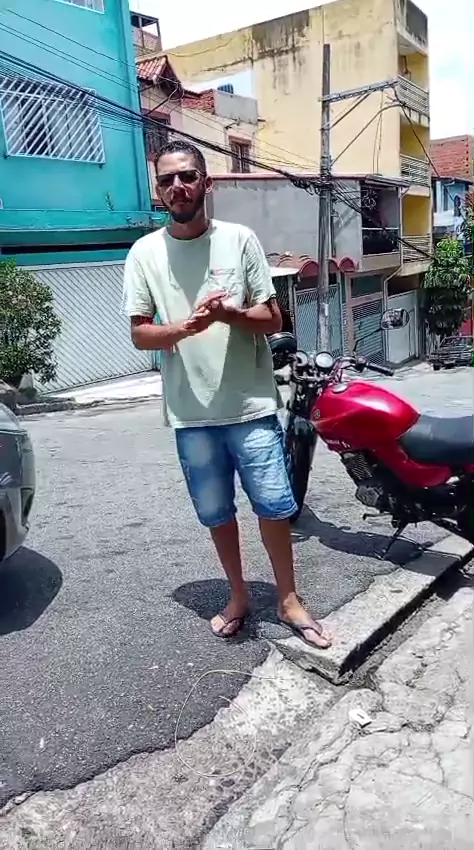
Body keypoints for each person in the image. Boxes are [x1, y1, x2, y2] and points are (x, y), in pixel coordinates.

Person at [122, 139, 331, 649]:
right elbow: (141, 333)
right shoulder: (144, 253)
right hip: (191, 413)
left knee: (273, 506)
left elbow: (272, 319)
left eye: (187, 175)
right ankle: (238, 595)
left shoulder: (239, 240)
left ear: (206, 183)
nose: (178, 186)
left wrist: (228, 314)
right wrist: (186, 328)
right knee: (216, 513)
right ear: (158, 190)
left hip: (251, 405)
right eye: (167, 179)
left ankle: (288, 599)